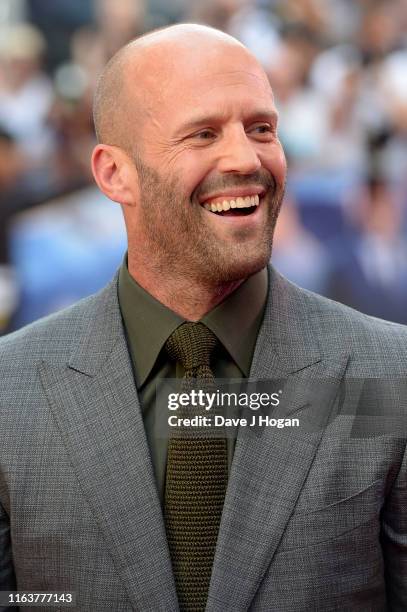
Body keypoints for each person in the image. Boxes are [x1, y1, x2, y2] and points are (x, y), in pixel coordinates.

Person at [0, 23, 406, 612]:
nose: (245, 158)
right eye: (202, 134)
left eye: (262, 128)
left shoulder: (389, 377)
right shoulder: (11, 389)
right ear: (115, 173)